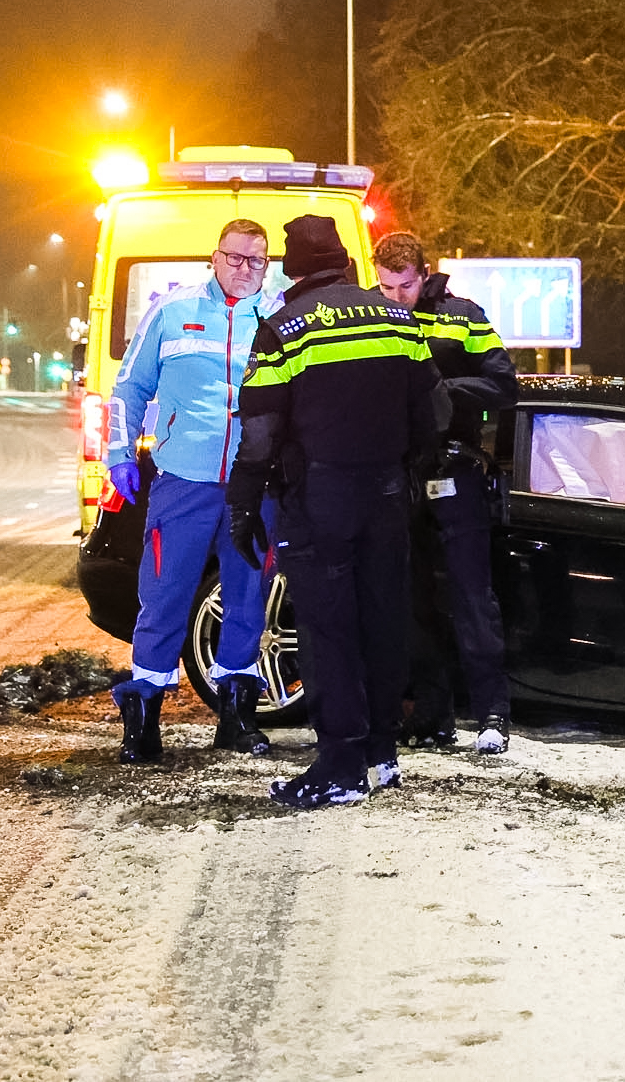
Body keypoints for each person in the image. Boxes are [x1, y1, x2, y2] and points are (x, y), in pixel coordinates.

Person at [227, 214, 444, 808]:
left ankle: (340, 766)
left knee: (329, 631)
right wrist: (405, 469)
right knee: (382, 620)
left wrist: (243, 503)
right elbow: (434, 412)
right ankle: (380, 756)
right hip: (386, 495)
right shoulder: (398, 317)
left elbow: (261, 434)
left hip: (320, 499)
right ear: (345, 262)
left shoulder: (282, 328)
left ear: (292, 268)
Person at [105, 219, 283, 764]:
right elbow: (129, 387)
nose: (244, 269)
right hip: (183, 480)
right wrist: (117, 453)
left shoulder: (280, 315)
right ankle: (143, 721)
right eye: (235, 258)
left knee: (248, 600)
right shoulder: (171, 310)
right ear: (215, 256)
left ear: (267, 263)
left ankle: (236, 719)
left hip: (257, 484)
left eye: (256, 261)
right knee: (163, 598)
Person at [372, 231, 519, 755]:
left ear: (423, 273)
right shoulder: (369, 315)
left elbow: (505, 385)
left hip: (456, 470)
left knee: (472, 595)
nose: (394, 298)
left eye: (404, 286)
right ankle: (433, 715)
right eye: (385, 287)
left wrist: (441, 391)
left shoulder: (463, 315)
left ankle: (492, 715)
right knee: (411, 601)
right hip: (397, 473)